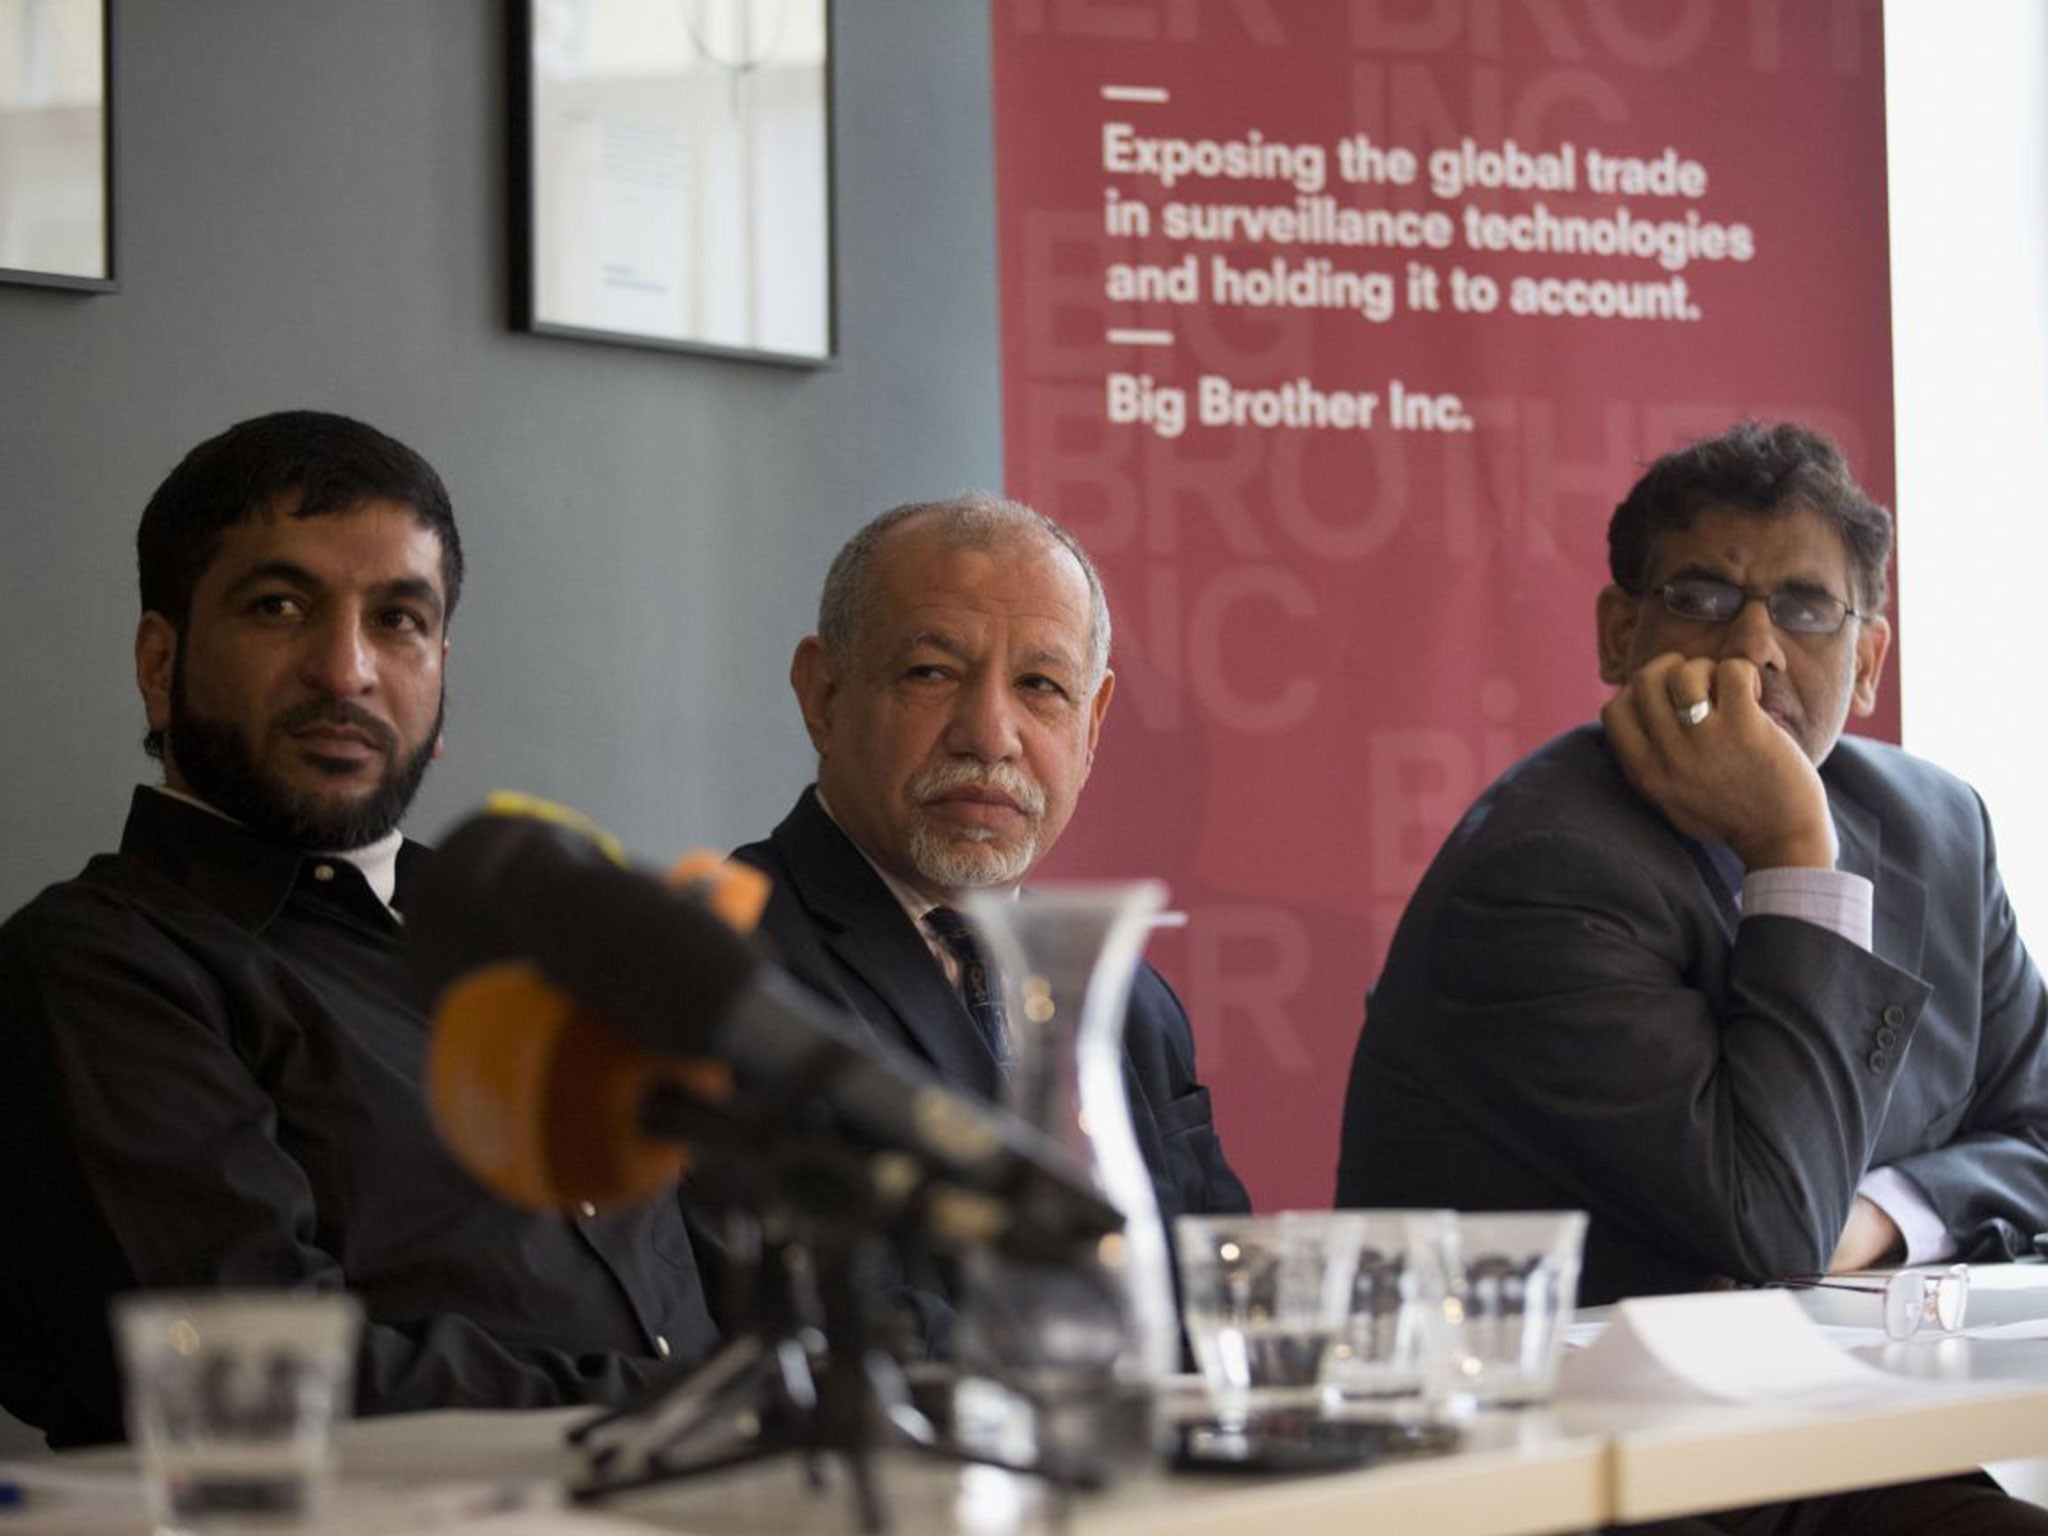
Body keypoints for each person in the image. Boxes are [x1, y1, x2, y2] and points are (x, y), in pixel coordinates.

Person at [1337, 421, 2048, 1533]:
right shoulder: (1540, 867)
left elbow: (2036, 1132)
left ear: (1867, 663)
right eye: (1704, 597)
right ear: (1619, 634)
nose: (1755, 647)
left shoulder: (1937, 829)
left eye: (1805, 608)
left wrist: (1871, 1217)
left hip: (1830, 1444)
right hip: (1571, 1476)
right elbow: (1765, 1220)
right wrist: (1790, 857)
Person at [0, 412, 717, 1447]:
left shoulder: (537, 935)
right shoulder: (97, 968)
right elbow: (261, 1380)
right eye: (280, 606)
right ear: (161, 663)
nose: (346, 671)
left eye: (398, 620)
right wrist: (689, 1416)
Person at [734, 494, 1248, 1253]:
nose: (989, 734)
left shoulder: (1130, 1003)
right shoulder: (738, 965)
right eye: (931, 672)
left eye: (1040, 686)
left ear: (1092, 723)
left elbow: (1218, 1290)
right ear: (824, 695)